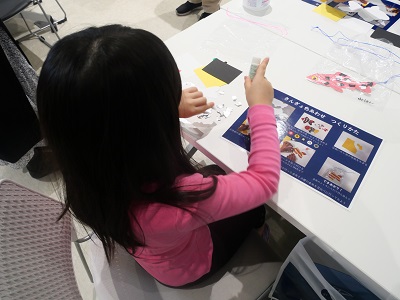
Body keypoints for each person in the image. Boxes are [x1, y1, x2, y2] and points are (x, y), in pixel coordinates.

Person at [37, 24, 280, 287]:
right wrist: (261, 106)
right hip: (192, 266)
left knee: (216, 174)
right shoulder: (179, 200)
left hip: (157, 248)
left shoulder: (85, 170)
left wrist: (165, 108)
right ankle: (258, 232)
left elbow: (107, 119)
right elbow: (265, 181)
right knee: (251, 203)